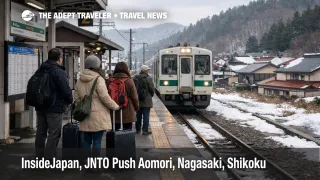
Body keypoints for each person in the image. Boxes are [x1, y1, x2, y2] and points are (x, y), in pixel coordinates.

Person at [74, 55, 120, 157]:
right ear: (97, 65)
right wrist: (115, 106)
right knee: (97, 141)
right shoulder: (98, 79)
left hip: (84, 114)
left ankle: (86, 161)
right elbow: (104, 97)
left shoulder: (80, 79)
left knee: (86, 140)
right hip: (98, 116)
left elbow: (76, 98)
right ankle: (94, 164)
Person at [34, 48, 73, 159]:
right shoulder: (58, 71)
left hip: (40, 106)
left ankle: (39, 156)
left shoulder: (41, 69)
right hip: (54, 107)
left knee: (41, 132)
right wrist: (70, 100)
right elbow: (66, 91)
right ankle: (50, 158)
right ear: (59, 58)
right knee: (54, 133)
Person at [108, 62, 139, 130]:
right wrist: (136, 108)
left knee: (114, 131)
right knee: (127, 133)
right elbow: (135, 97)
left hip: (113, 111)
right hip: (127, 111)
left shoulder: (110, 81)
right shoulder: (129, 81)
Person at [134, 65, 154, 135]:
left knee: (138, 115)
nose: (148, 71)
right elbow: (152, 89)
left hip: (138, 99)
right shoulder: (149, 78)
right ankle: (145, 130)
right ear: (146, 71)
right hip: (146, 99)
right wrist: (151, 95)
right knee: (146, 115)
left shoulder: (135, 77)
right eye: (148, 70)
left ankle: (138, 129)